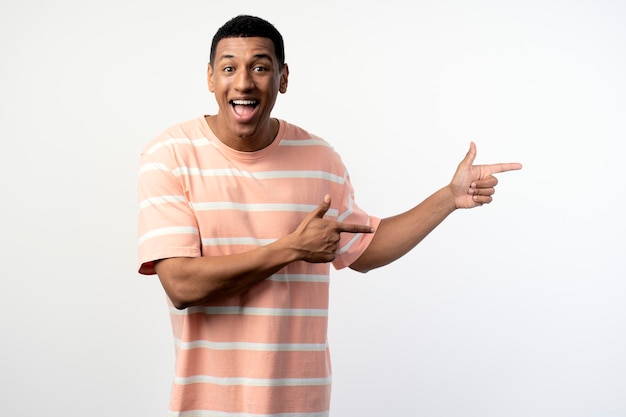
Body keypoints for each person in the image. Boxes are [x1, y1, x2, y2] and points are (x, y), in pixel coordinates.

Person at [137, 14, 522, 417]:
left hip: (300, 404)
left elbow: (365, 250)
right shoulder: (169, 156)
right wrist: (290, 249)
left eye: (261, 67)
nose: (244, 82)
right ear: (211, 78)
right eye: (229, 67)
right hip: (209, 407)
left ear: (283, 78)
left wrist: (448, 198)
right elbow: (180, 284)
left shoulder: (319, 158)